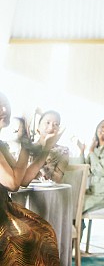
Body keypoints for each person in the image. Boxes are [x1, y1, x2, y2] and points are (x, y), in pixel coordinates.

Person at [0, 92, 61, 265]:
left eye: (6, 105)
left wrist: (46, 148)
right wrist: (25, 142)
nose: (4, 109)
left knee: (45, 231)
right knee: (25, 238)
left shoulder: (1, 145)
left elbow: (23, 178)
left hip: (3, 209)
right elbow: (13, 183)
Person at [78, 119, 104, 213]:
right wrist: (82, 151)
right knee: (74, 200)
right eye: (102, 126)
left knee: (80, 205)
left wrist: (91, 152)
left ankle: (76, 222)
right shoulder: (95, 148)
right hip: (93, 191)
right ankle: (77, 222)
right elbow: (84, 169)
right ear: (97, 129)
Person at [25, 110, 70, 184]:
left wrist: (48, 146)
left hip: (50, 190)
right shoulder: (28, 148)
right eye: (47, 122)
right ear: (38, 128)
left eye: (56, 124)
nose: (51, 127)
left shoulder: (63, 151)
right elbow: (22, 176)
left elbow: (57, 179)